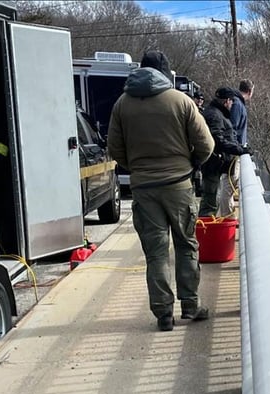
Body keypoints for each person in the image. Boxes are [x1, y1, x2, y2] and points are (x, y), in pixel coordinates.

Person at [107, 51, 215, 331]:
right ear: (166, 74)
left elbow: (115, 149)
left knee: (155, 253)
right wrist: (191, 163)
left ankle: (163, 314)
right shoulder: (181, 101)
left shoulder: (122, 104)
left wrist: (137, 168)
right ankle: (190, 306)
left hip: (143, 189)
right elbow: (207, 145)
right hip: (178, 185)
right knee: (186, 244)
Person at [199, 87, 248, 218]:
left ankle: (208, 230)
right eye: (231, 101)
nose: (232, 104)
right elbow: (217, 140)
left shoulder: (215, 113)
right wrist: (237, 149)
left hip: (215, 163)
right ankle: (207, 233)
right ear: (227, 101)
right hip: (212, 164)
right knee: (210, 202)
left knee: (212, 200)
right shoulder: (215, 115)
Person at [217, 79, 254, 220]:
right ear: (250, 91)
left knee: (231, 183)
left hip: (236, 150)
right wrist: (237, 147)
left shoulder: (237, 103)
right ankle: (227, 217)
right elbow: (233, 128)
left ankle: (229, 216)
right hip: (234, 151)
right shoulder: (238, 105)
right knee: (229, 183)